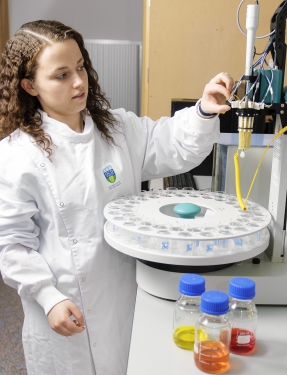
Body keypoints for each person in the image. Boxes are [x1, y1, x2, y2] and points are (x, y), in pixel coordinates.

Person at [0, 20, 233, 375]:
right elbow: (11, 244)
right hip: (63, 309)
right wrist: (48, 297)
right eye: (61, 75)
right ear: (30, 85)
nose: (79, 81)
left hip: (123, 297)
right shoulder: (17, 156)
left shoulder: (115, 129)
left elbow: (171, 144)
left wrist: (203, 109)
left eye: (80, 67)